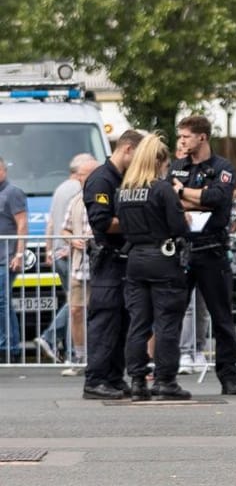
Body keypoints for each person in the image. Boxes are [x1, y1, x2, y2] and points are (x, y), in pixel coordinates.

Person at [168, 115, 236, 394]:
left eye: (186, 136)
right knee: (173, 315)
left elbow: (218, 199)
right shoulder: (177, 167)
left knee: (221, 317)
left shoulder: (222, 168)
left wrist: (185, 193)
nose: (182, 141)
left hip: (212, 250)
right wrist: (194, 198)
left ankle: (229, 377)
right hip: (183, 250)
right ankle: (168, 375)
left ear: (202, 137)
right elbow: (171, 201)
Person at [120, 133, 194, 400]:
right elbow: (178, 227)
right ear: (159, 161)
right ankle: (165, 382)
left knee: (139, 324)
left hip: (135, 260)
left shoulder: (125, 191)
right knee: (167, 324)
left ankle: (138, 381)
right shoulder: (162, 189)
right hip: (163, 259)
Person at [81, 130, 142, 399]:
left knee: (122, 322)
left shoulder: (123, 178)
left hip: (124, 259)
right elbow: (103, 222)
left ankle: (115, 377)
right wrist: (142, 222)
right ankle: (95, 380)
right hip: (108, 258)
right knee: (105, 320)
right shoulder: (101, 179)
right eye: (138, 157)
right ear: (127, 149)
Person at [46, 153, 98, 365]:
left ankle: (92, 354)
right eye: (81, 175)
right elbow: (61, 227)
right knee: (75, 308)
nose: (81, 179)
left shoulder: (106, 196)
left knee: (95, 310)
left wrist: (50, 249)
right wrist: (72, 240)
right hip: (76, 262)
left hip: (98, 264)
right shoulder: (75, 199)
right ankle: (78, 354)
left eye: (85, 176)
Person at [0, 157, 28, 360]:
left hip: (6, 258)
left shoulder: (13, 193)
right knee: (3, 303)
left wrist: (18, 254)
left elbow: (22, 224)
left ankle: (8, 347)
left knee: (2, 302)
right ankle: (10, 346)